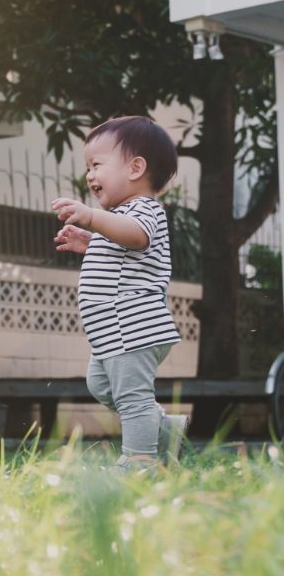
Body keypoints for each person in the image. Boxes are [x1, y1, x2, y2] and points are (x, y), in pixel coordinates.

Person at [52, 115, 188, 470]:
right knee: (100, 384)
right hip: (113, 333)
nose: (90, 175)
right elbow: (122, 247)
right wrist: (91, 243)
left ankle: (139, 461)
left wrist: (92, 219)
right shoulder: (119, 218)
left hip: (134, 329)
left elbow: (135, 236)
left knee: (132, 398)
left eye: (97, 165)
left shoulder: (145, 209)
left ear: (135, 168)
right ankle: (163, 430)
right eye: (88, 167)